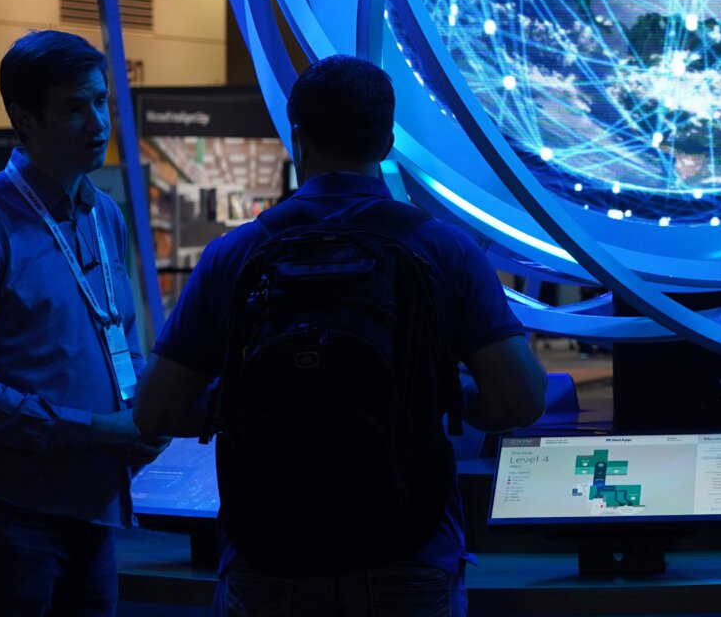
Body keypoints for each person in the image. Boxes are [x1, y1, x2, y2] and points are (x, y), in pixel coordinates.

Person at [135, 54, 546, 616]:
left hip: (267, 560)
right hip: (410, 556)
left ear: (298, 139)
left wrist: (255, 395)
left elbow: (154, 411)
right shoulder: (444, 249)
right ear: (386, 142)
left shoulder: (235, 254)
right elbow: (519, 400)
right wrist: (431, 392)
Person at [0, 31, 165, 616]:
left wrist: (145, 417)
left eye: (102, 102)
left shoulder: (103, 213)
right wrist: (94, 429)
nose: (96, 123)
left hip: (94, 505)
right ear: (24, 118)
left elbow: (121, 337)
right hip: (5, 514)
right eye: (74, 107)